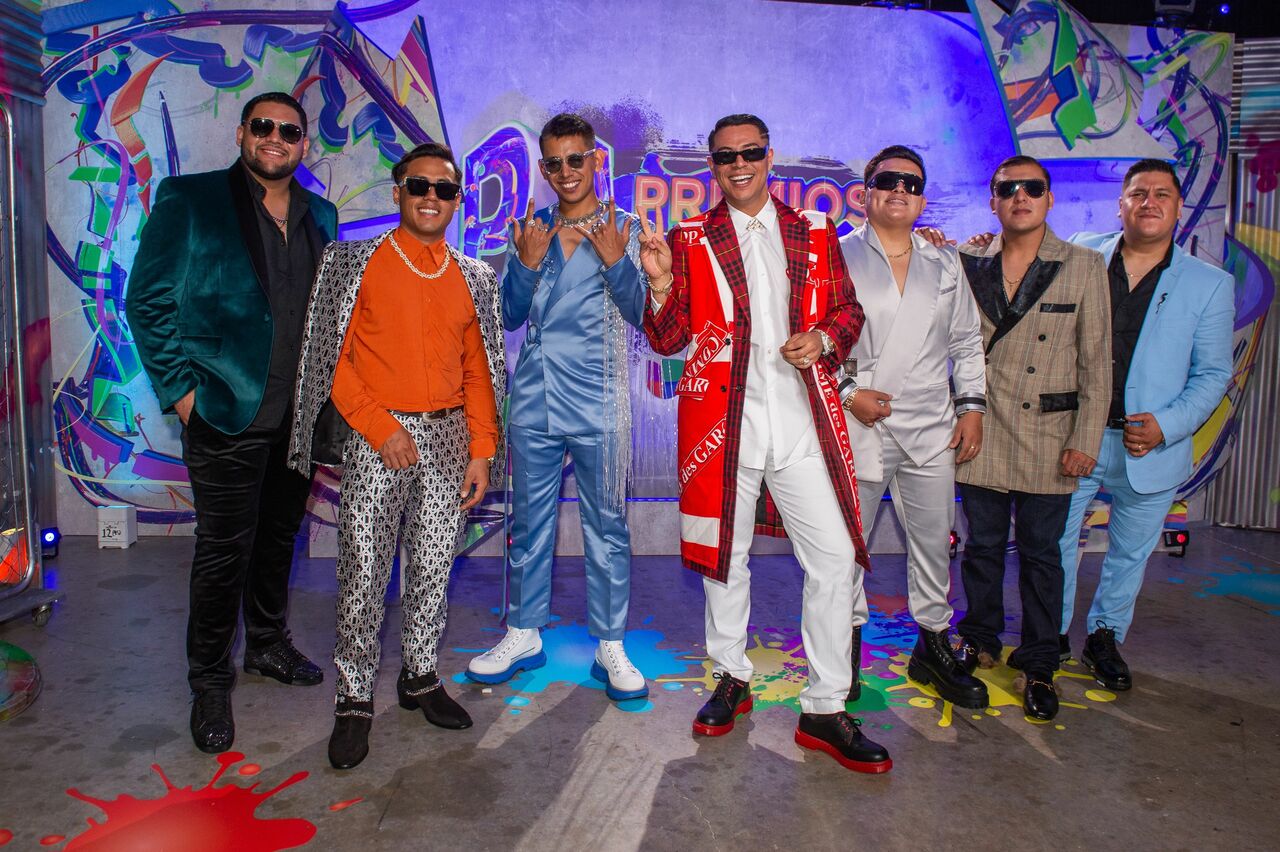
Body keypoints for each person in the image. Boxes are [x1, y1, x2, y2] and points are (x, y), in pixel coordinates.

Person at [642, 113, 890, 773]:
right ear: (713, 167)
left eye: (750, 152)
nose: (740, 164)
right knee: (726, 556)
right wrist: (661, 282)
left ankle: (825, 708)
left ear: (770, 157)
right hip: (723, 424)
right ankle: (731, 676)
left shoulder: (815, 228)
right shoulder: (689, 237)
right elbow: (667, 340)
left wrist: (824, 340)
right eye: (726, 156)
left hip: (802, 420)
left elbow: (848, 311)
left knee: (834, 559)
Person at [127, 92, 337, 754]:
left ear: (304, 145)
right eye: (263, 126)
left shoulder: (320, 214)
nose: (276, 138)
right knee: (223, 550)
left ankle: (267, 644)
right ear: (242, 133)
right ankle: (210, 681)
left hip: (298, 416)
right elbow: (147, 300)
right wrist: (182, 394)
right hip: (222, 411)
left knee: (279, 539)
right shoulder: (190, 200)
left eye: (289, 131)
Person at [288, 142, 505, 769]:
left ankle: (420, 677)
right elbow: (332, 359)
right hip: (376, 439)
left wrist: (482, 451)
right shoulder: (352, 262)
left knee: (433, 568)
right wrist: (380, 428)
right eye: (419, 186)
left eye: (445, 189)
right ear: (397, 192)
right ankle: (354, 699)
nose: (431, 197)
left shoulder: (474, 276)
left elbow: (479, 371)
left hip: (451, 439)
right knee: (363, 572)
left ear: (457, 200)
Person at [466, 114, 649, 701]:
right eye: (554, 163)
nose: (566, 171)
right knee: (528, 523)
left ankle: (610, 642)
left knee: (607, 526)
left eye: (576, 159)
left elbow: (641, 313)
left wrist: (619, 261)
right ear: (543, 169)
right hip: (536, 397)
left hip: (599, 398)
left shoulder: (625, 227)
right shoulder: (532, 228)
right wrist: (522, 265)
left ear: (596, 160)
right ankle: (523, 633)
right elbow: (509, 315)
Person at [1058, 159, 1234, 690]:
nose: (1149, 202)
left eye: (1162, 194)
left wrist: (1168, 425)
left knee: (1129, 554)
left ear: (1178, 207)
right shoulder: (1082, 253)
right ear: (1121, 205)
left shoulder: (1209, 284)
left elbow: (1213, 373)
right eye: (1138, 193)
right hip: (1075, 437)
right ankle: (1050, 637)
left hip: (1150, 446)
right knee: (1054, 544)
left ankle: (1105, 639)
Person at [951, 155, 1111, 721]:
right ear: (992, 200)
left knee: (1044, 555)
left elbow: (1097, 361)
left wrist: (1085, 438)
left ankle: (1041, 661)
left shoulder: (1083, 264)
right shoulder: (967, 260)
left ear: (1049, 198)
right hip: (983, 427)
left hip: (1051, 435)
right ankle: (979, 637)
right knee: (982, 547)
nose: (1021, 196)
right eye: (1008, 188)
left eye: (1033, 188)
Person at [839, 145, 988, 710]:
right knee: (847, 548)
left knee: (933, 544)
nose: (900, 189)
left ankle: (933, 647)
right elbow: (813, 337)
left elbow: (966, 341)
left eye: (912, 183)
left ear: (923, 199)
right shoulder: (836, 254)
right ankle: (843, 651)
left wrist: (971, 407)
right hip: (860, 423)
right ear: (866, 193)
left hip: (931, 427)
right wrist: (848, 394)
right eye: (888, 180)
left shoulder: (944, 262)